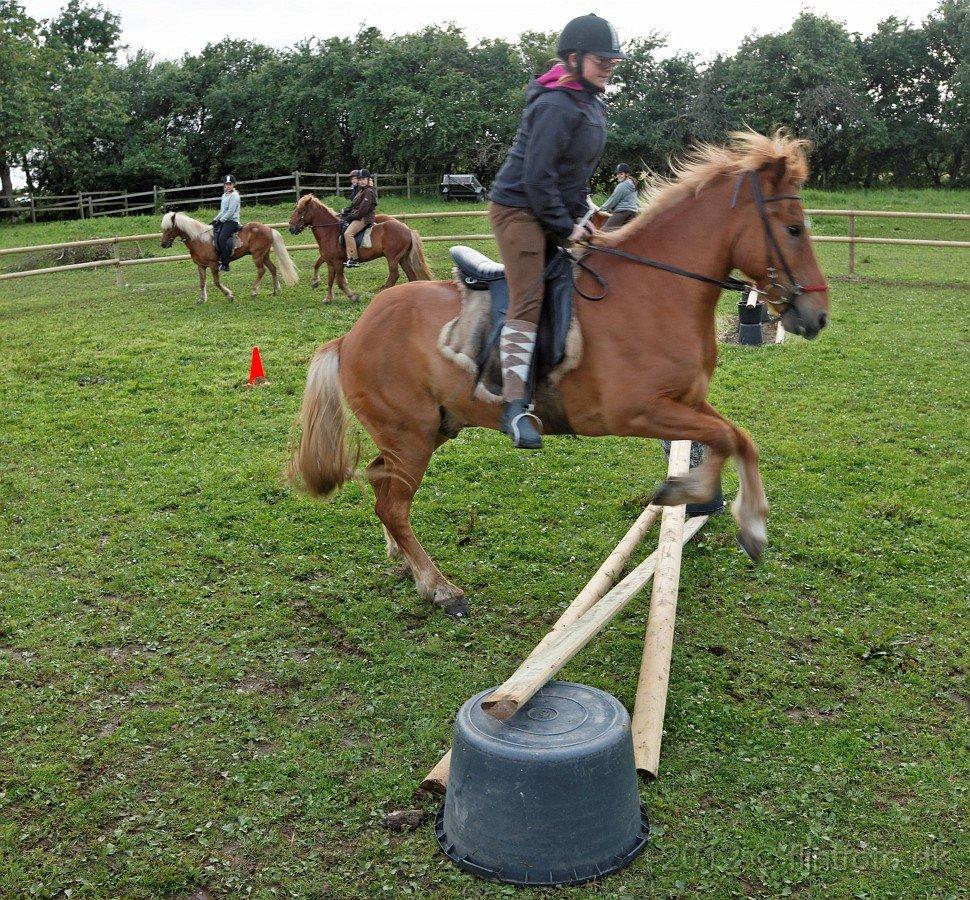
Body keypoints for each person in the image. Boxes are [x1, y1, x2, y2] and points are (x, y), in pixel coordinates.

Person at [488, 13, 624, 449]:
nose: (608, 66)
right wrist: (567, 227)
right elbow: (537, 178)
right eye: (601, 59)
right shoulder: (554, 105)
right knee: (528, 297)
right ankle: (514, 406)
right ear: (573, 57)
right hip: (519, 210)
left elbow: (572, 179)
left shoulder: (589, 104)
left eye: (613, 61)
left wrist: (585, 216)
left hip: (554, 207)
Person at [342, 169, 377, 267]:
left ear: (368, 179)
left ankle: (354, 259)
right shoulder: (361, 190)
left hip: (364, 218)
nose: (361, 181)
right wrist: (345, 211)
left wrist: (351, 217)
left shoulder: (368, 191)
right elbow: (354, 205)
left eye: (363, 179)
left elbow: (363, 210)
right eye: (360, 179)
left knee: (348, 233)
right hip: (358, 216)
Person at [211, 175, 241, 271]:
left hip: (232, 221)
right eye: (226, 184)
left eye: (230, 184)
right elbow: (222, 211)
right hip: (225, 220)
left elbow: (230, 212)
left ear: (233, 185)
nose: (228, 186)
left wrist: (220, 221)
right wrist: (215, 220)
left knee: (222, 238)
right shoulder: (224, 196)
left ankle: (225, 263)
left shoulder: (235, 196)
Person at [600, 163, 639, 230]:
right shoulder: (633, 184)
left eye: (621, 174)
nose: (618, 176)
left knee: (604, 232)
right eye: (617, 174)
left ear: (627, 174)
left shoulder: (621, 186)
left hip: (622, 213)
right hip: (633, 213)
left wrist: (601, 208)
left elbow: (613, 200)